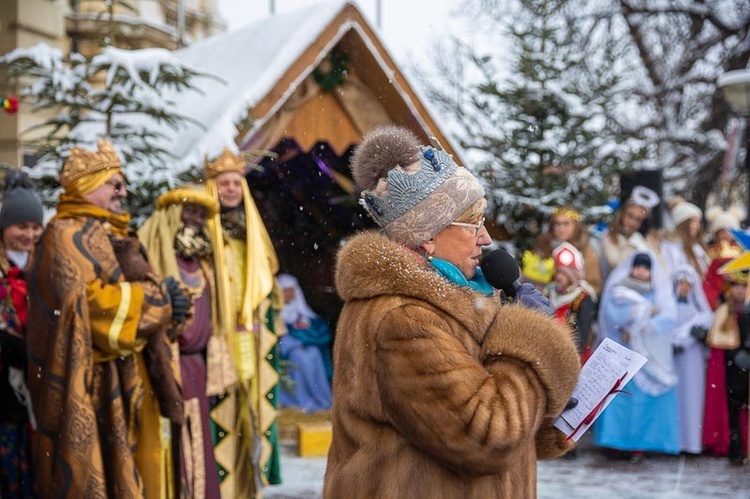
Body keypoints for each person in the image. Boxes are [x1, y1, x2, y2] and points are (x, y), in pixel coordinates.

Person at [323, 126, 580, 497]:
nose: (487, 238)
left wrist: (553, 409)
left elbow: (488, 419)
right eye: (474, 223)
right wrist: (530, 345)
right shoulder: (403, 320)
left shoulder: (456, 300)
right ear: (427, 236)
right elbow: (485, 438)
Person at [26, 139, 190, 498]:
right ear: (87, 189)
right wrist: (158, 300)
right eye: (114, 184)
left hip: (134, 375)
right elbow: (93, 306)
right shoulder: (63, 235)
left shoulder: (113, 231)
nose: (123, 191)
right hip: (94, 385)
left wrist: (169, 307)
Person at [139, 185, 238, 498]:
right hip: (165, 366)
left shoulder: (206, 264)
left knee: (199, 439)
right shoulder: (153, 259)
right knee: (170, 442)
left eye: (201, 214)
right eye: (189, 210)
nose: (195, 218)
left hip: (198, 365)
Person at [204, 149, 283, 496]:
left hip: (251, 338)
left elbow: (268, 284)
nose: (231, 189)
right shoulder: (204, 233)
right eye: (224, 183)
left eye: (237, 183)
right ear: (212, 187)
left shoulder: (252, 231)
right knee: (221, 418)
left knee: (251, 418)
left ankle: (248, 488)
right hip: (218, 339)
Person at [595, 251, 679, 463]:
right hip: (622, 353)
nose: (641, 271)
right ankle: (615, 442)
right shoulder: (620, 290)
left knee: (641, 401)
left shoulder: (657, 292)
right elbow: (612, 314)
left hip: (646, 355)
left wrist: (645, 325)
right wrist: (641, 315)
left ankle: (640, 444)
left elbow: (667, 317)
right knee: (619, 396)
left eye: (645, 268)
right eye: (638, 267)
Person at [0, 169, 43, 499]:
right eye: (21, 227)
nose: (29, 234)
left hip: (37, 389)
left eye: (34, 227)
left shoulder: (43, 269)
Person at [702, 270, 750, 464]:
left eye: (744, 286)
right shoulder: (726, 310)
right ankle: (735, 446)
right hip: (733, 368)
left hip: (744, 364)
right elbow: (719, 338)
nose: (740, 290)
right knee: (734, 406)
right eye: (736, 286)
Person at [670, 266, 713, 455]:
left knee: (692, 398)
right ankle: (674, 442)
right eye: (681, 284)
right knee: (675, 400)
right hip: (673, 360)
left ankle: (691, 443)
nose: (684, 288)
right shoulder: (668, 308)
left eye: (688, 285)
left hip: (692, 360)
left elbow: (705, 323)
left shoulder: (700, 314)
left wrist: (692, 336)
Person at [276, 273, 333, 413]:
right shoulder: (276, 313)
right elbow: (277, 339)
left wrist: (306, 341)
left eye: (291, 290)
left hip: (304, 348)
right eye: (285, 290)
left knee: (314, 354)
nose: (289, 294)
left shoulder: (301, 312)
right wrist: (294, 344)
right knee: (301, 358)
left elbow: (315, 330)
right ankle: (300, 399)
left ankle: (319, 397)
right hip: (288, 351)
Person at [524, 207, 603, 296]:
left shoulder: (586, 250)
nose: (561, 228)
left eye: (566, 224)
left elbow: (595, 285)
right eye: (557, 224)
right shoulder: (543, 247)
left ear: (576, 226)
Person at [546, 242, 597, 363]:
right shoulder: (549, 291)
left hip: (569, 356)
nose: (559, 277)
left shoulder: (583, 298)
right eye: (558, 272)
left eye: (564, 274)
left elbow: (582, 336)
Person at [601, 186, 662, 278]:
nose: (632, 223)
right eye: (630, 216)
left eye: (638, 220)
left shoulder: (648, 238)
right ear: (622, 214)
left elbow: (658, 264)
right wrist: (632, 245)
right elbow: (615, 262)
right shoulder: (611, 235)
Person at [662, 197, 709, 278]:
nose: (696, 226)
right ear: (682, 223)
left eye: (698, 222)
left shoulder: (697, 248)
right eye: (693, 221)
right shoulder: (670, 248)